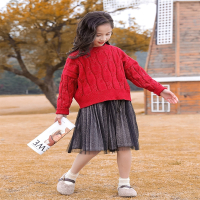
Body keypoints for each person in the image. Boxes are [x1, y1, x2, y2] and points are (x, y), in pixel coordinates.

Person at [54, 11, 178, 197]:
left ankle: (124, 184)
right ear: (86, 33)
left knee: (124, 144)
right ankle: (69, 177)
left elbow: (137, 74)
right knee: (92, 146)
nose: (104, 38)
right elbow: (66, 85)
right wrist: (61, 110)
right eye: (98, 35)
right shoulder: (75, 57)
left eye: (108, 34)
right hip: (92, 107)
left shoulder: (116, 53)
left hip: (120, 104)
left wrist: (159, 89)